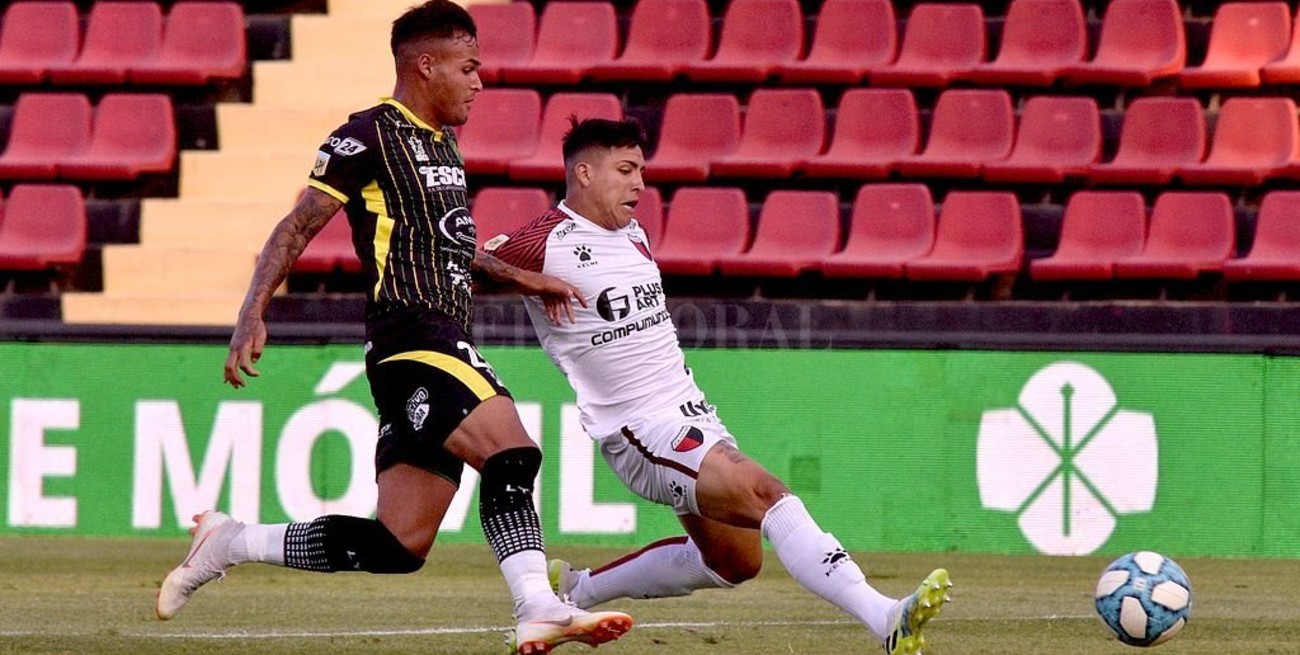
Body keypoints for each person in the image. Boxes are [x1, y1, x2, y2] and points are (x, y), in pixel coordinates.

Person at [154, 4, 634, 653]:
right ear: (426, 65)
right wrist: (250, 313)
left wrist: (522, 277)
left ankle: (230, 541)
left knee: (397, 543)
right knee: (511, 451)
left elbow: (448, 245)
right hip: (414, 337)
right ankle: (538, 605)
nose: (479, 82)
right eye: (469, 67)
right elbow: (297, 225)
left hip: (432, 341)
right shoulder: (368, 134)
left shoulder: (442, 143)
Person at [483, 117, 952, 655]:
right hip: (640, 430)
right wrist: (523, 277)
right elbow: (454, 258)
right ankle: (885, 617)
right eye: (626, 170)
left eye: (642, 171)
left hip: (691, 413)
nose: (640, 184)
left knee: (734, 562)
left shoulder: (632, 233)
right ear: (584, 173)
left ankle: (574, 590)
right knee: (769, 494)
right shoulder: (545, 240)